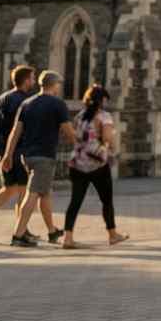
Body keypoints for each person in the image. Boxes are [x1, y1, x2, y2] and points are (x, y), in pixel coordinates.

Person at [0, 70, 77, 248]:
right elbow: (69, 132)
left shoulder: (27, 103)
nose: (59, 88)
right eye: (59, 85)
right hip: (44, 157)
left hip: (28, 156)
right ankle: (18, 235)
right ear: (54, 85)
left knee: (45, 192)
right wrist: (81, 145)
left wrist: (8, 155)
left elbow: (15, 132)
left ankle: (52, 231)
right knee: (32, 194)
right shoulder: (57, 104)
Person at [0, 66, 41, 243]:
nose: (34, 82)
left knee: (9, 188)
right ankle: (22, 231)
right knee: (23, 192)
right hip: (19, 151)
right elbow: (23, 129)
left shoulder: (1, 99)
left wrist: (2, 152)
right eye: (32, 78)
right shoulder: (27, 101)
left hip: (2, 151)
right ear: (26, 80)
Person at [61, 84, 128, 249]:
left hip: (77, 164)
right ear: (102, 100)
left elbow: (75, 137)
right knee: (106, 200)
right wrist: (111, 144)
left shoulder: (80, 116)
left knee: (75, 201)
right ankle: (112, 235)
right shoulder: (104, 117)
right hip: (97, 165)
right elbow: (107, 138)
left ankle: (67, 238)